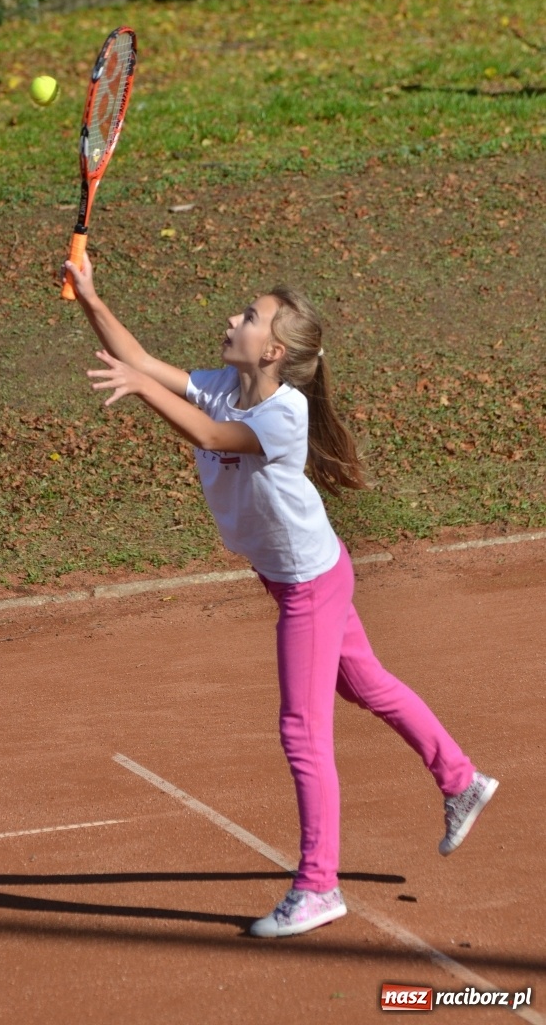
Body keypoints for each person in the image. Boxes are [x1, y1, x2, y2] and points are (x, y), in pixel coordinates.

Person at [63, 252, 499, 939]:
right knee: (368, 686)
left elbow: (207, 435)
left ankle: (318, 885)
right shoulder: (226, 386)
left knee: (302, 730)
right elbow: (143, 359)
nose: (231, 318)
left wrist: (140, 388)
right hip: (302, 572)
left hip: (309, 587)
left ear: (273, 350)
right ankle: (461, 778)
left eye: (247, 315)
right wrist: (89, 296)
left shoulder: (281, 414)